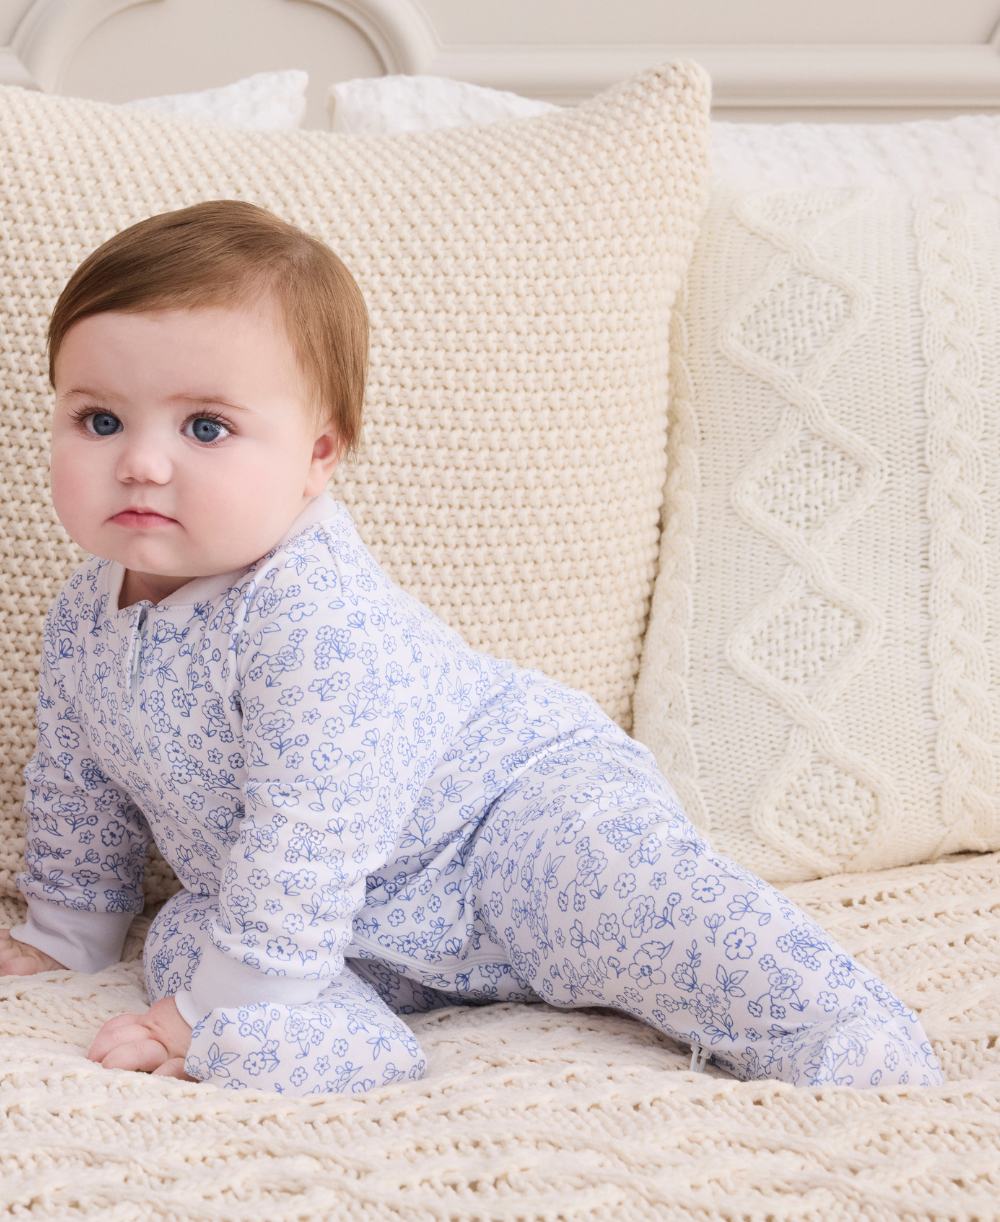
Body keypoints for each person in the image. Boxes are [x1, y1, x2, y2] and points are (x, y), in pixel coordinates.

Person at [0, 201, 942, 1096]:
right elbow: (79, 783)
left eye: (206, 427)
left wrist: (227, 993)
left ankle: (840, 1031)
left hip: (504, 821)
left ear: (318, 455)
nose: (142, 462)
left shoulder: (311, 611)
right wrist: (68, 931)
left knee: (638, 896)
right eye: (99, 420)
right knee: (187, 935)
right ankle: (341, 1044)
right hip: (348, 914)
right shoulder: (86, 611)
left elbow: (308, 821)